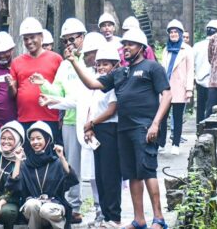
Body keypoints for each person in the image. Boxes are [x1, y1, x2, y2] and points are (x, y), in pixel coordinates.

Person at [71, 27, 172, 229]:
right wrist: (74, 62)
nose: (126, 47)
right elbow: (92, 84)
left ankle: (158, 219)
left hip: (144, 127)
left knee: (148, 172)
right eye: (124, 44)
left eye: (131, 44)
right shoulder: (120, 73)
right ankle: (139, 219)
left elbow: (167, 95)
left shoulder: (152, 68)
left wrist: (155, 123)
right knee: (132, 174)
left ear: (141, 47)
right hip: (123, 130)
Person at [37, 25, 101, 224]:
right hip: (71, 120)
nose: (69, 44)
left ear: (82, 37)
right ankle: (74, 207)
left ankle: (101, 208)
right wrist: (44, 85)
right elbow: (60, 92)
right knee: (72, 166)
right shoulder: (65, 65)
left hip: (94, 123)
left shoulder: (94, 61)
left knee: (94, 168)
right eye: (64, 41)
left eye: (72, 39)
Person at [76, 46, 122, 227]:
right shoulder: (97, 82)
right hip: (97, 129)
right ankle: (104, 215)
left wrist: (92, 123)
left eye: (106, 64)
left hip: (110, 129)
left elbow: (111, 110)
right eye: (99, 64)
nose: (102, 68)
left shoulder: (114, 82)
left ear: (114, 65)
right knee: (100, 175)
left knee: (110, 175)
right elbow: (92, 107)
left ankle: (114, 216)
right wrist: (90, 128)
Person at [8, 121, 79, 229]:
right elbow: (13, 186)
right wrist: (18, 160)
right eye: (32, 139)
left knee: (45, 209)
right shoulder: (26, 164)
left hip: (54, 207)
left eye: (38, 138)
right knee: (32, 204)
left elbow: (72, 180)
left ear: (47, 139)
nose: (35, 142)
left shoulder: (56, 162)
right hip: (33, 208)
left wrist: (62, 157)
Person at [10, 17, 64, 143]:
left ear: (41, 37)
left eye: (32, 37)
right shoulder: (17, 62)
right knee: (28, 158)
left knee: (51, 156)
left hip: (50, 117)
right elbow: (14, 92)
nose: (29, 41)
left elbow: (62, 89)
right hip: (25, 118)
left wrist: (62, 115)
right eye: (26, 38)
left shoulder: (56, 59)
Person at [159, 20, 194, 156]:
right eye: (171, 32)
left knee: (177, 118)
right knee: (162, 117)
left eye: (175, 32)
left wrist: (189, 89)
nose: (173, 34)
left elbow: (190, 70)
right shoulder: (165, 49)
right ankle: (161, 143)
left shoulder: (187, 49)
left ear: (180, 33)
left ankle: (176, 143)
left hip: (180, 87)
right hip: (166, 87)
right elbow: (162, 69)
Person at [193, 20, 217, 124]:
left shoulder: (197, 46)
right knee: (212, 108)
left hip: (200, 81)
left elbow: (193, 65)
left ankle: (198, 129)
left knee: (200, 108)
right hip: (214, 83)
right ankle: (209, 129)